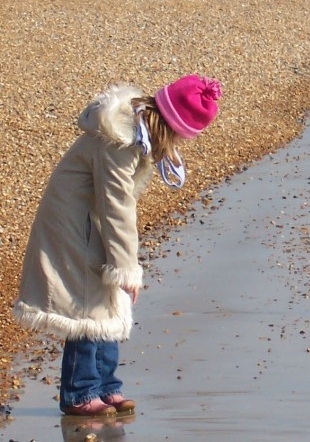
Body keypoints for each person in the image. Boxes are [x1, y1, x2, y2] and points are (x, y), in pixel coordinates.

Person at [12, 74, 222, 417]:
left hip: (88, 220)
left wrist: (124, 269)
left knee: (111, 301)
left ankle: (106, 385)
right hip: (73, 225)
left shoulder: (135, 136)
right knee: (88, 306)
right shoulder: (120, 143)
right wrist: (127, 269)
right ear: (171, 126)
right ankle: (79, 393)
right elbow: (116, 206)